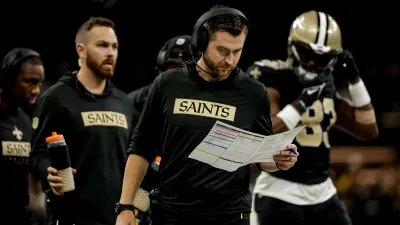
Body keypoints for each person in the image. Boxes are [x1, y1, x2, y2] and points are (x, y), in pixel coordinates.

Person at [116, 5, 299, 225]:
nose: (230, 60)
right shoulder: (167, 84)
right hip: (172, 214)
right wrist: (125, 207)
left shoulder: (254, 93)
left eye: (237, 51)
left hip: (230, 217)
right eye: (222, 50)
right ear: (201, 43)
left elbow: (261, 158)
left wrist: (278, 161)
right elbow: (141, 147)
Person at [247, 10, 379, 225]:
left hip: (323, 192)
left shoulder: (327, 84)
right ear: (292, 47)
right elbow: (265, 134)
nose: (312, 63)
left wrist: (355, 82)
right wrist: (300, 104)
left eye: (322, 58)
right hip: (280, 190)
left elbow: (369, 129)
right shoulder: (272, 75)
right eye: (307, 54)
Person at [29, 17, 134, 225]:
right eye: (102, 45)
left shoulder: (125, 102)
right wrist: (48, 171)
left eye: (115, 46)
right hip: (73, 217)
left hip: (117, 219)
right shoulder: (56, 97)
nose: (110, 53)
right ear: (81, 50)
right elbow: (37, 152)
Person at [127, 34, 192, 225]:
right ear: (161, 67)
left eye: (183, 69)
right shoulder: (133, 103)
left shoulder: (204, 107)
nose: (174, 76)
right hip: (136, 193)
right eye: (172, 68)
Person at [0, 48, 45, 225]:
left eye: (39, 83)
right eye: (30, 82)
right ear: (9, 79)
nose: (36, 90)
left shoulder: (27, 122)